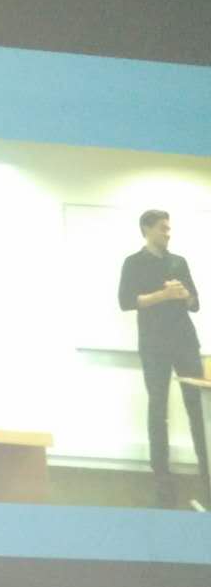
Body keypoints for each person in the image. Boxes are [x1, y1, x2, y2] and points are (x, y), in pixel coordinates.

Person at [117, 209, 209, 508]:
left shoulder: (178, 262)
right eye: (162, 228)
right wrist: (163, 295)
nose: (168, 233)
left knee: (198, 409)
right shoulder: (134, 262)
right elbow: (126, 302)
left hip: (185, 341)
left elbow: (195, 303)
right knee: (158, 409)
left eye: (169, 228)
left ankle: (207, 474)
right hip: (154, 344)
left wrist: (184, 295)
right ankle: (162, 481)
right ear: (146, 229)